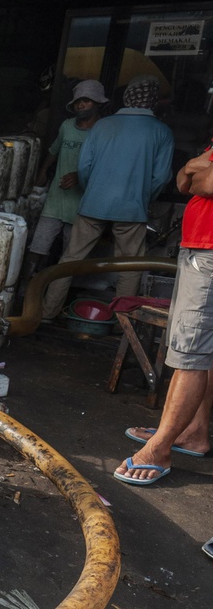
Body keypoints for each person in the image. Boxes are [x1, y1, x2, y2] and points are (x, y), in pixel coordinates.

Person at [114, 145, 213, 485]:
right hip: (201, 247)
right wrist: (193, 168)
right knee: (202, 351)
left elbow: (204, 181)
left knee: (190, 354)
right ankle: (193, 432)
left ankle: (160, 449)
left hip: (210, 253)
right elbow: (186, 180)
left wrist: (195, 170)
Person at [41, 76, 175, 319]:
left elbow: (83, 166)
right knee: (130, 267)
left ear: (127, 99)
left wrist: (93, 189)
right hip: (132, 209)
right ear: (153, 102)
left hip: (93, 204)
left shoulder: (102, 126)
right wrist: (144, 199)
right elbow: (161, 177)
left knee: (69, 260)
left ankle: (47, 313)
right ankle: (121, 323)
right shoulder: (162, 131)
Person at [26, 80, 109, 277]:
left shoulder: (103, 131)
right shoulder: (67, 126)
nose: (81, 105)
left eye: (87, 101)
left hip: (82, 202)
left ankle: (57, 294)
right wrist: (43, 171)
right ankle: (25, 288)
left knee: (69, 255)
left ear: (98, 104)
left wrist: (80, 176)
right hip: (57, 197)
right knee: (38, 245)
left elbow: (106, 165)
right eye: (78, 101)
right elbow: (54, 151)